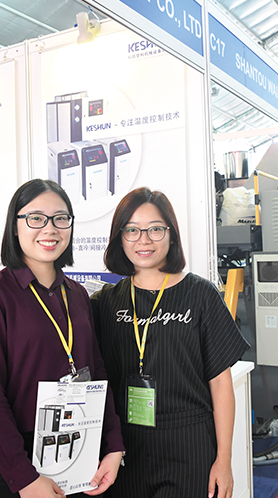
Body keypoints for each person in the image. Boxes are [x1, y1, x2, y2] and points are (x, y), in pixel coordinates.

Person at [0, 179, 124, 498]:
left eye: (60, 218)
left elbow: (97, 374)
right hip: (20, 460)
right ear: (15, 226)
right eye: (36, 218)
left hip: (80, 449)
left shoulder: (77, 294)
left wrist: (113, 446)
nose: (50, 229)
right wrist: (25, 479)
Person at [91, 187, 250, 498]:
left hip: (188, 441)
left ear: (172, 235)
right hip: (125, 445)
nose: (144, 240)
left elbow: (220, 384)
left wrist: (224, 459)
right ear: (120, 238)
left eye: (155, 229)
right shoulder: (106, 302)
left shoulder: (201, 295)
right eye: (132, 230)